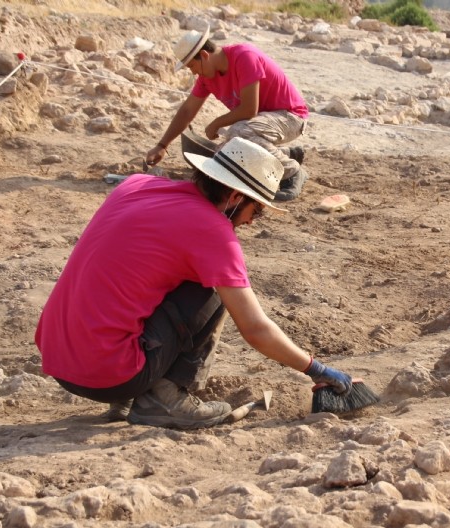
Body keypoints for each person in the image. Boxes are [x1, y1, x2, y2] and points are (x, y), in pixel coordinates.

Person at [35, 138, 352, 429]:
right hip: (108, 374)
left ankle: (131, 398)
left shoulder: (136, 185)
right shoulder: (212, 231)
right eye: (256, 211)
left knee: (155, 278)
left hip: (58, 359)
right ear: (234, 197)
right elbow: (254, 327)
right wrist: (316, 369)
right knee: (217, 286)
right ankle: (165, 398)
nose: (252, 222)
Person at [145, 26, 309, 201]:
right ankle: (285, 153)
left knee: (238, 132)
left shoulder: (244, 56)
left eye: (192, 66)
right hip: (261, 124)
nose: (193, 72)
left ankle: (292, 172)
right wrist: (162, 145)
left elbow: (249, 109)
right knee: (223, 153)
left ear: (205, 56)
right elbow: (187, 110)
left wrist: (216, 123)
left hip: (290, 117)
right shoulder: (207, 78)